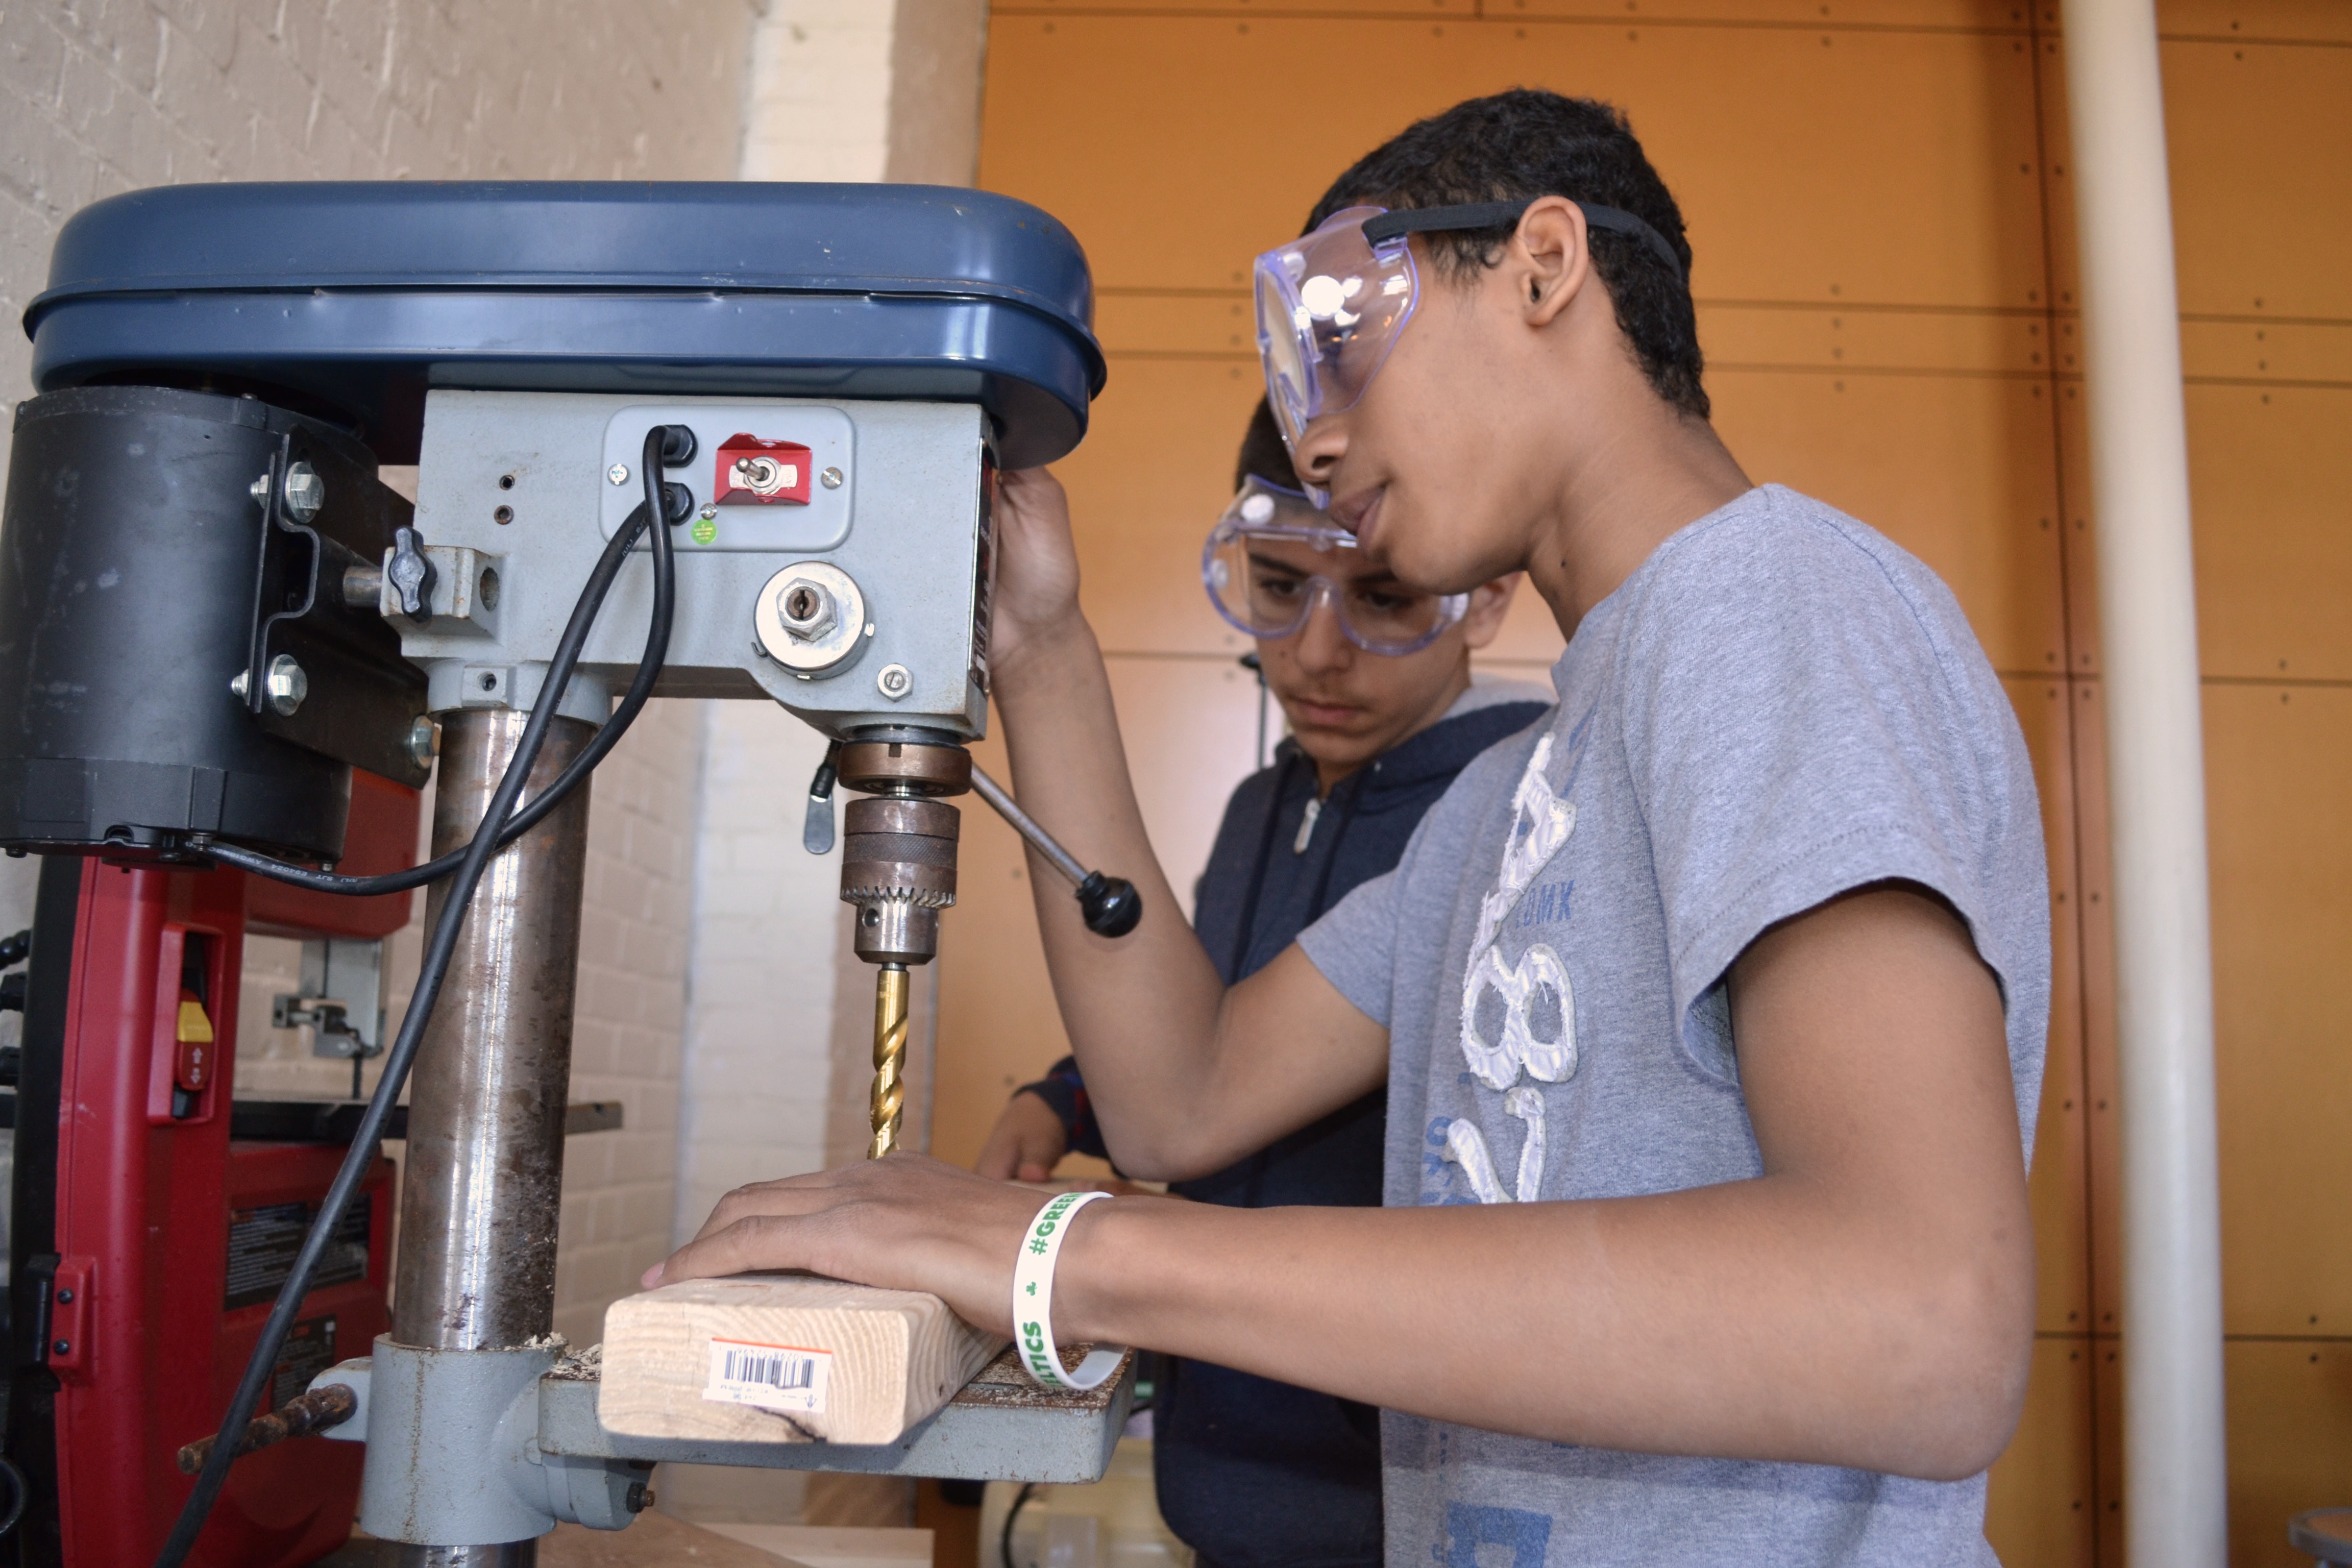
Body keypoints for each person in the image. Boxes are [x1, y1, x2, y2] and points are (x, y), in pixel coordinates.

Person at [653, 90, 2048, 1566]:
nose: (1314, 441)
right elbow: (1176, 1098)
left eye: (1339, 344)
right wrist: (1043, 646)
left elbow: (1923, 1323)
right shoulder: (1504, 804)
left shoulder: (1772, 602)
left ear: (1542, 266)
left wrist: (1080, 1256)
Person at [976, 399, 1547, 1568]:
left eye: (1383, 600)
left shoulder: (1515, 816)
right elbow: (1212, 1023)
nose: (1318, 652)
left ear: (1483, 594)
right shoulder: (1259, 807)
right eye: (1279, 588)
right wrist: (1065, 1098)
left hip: (1394, 1519)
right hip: (1217, 1499)